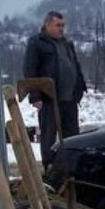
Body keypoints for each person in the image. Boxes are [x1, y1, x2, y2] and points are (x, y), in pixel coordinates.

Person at [24, 11, 87, 163]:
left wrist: (80, 88)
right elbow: (30, 70)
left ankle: (71, 169)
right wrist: (35, 96)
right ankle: (50, 170)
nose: (61, 29)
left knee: (72, 138)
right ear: (47, 25)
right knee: (49, 138)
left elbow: (75, 66)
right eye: (58, 25)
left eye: (63, 25)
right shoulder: (37, 43)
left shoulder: (67, 44)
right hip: (48, 99)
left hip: (69, 99)